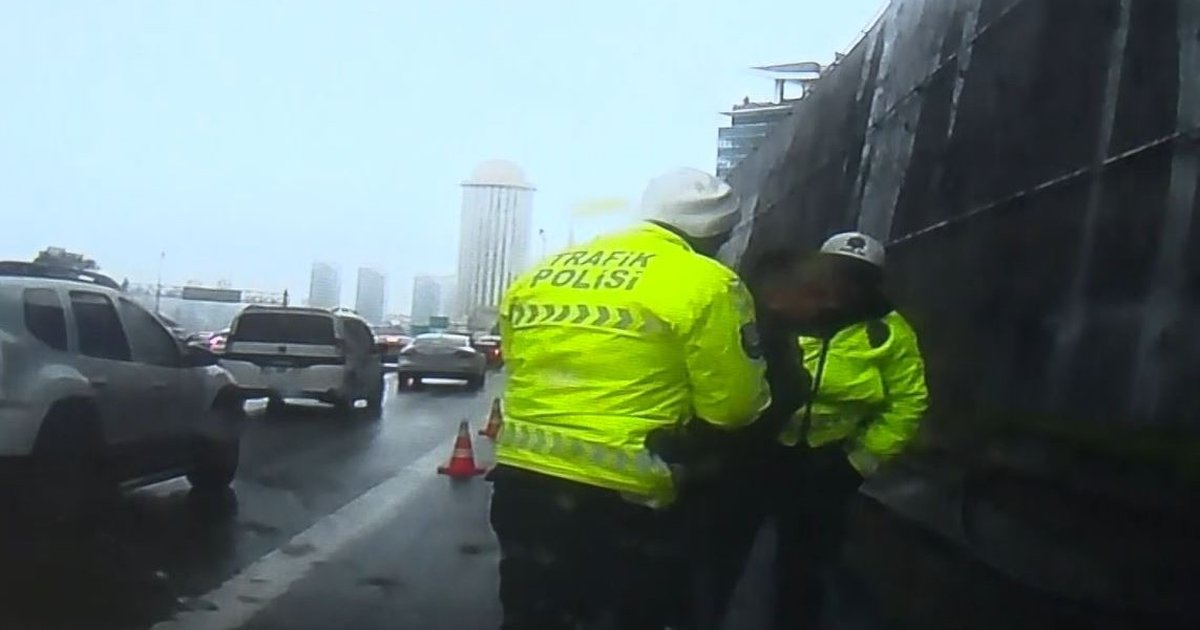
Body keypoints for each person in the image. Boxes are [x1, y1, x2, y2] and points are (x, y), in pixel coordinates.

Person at [489, 167, 771, 630]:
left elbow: (516, 362)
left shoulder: (543, 272)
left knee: (531, 614)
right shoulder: (708, 282)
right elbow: (735, 407)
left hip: (523, 480)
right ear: (717, 235)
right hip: (626, 497)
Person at [755, 230, 929, 629]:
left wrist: (860, 460)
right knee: (732, 544)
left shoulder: (888, 332)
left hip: (828, 463)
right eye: (837, 272)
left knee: (807, 564)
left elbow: (908, 401)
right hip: (762, 450)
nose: (845, 286)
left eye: (858, 278)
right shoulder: (784, 314)